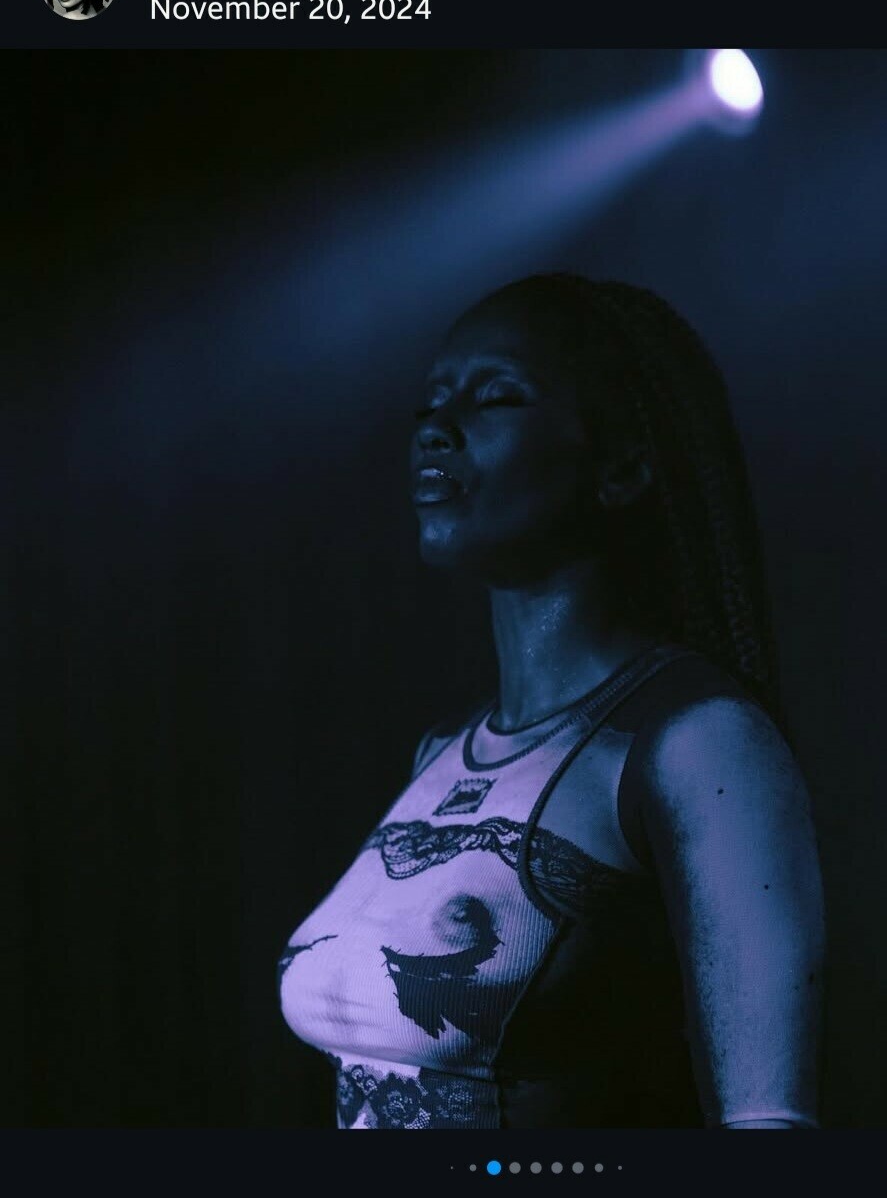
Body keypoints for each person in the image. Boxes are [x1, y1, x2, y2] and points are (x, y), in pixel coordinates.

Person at [278, 272, 827, 1129]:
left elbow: (769, 1119)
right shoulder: (441, 753)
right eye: (432, 401)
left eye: (496, 395)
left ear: (622, 466)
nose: (437, 426)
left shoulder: (699, 739)